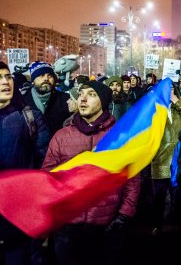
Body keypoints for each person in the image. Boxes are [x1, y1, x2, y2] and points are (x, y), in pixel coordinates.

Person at [41, 80, 140, 265]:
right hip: (68, 226)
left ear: (103, 101)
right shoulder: (62, 136)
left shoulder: (119, 138)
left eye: (91, 95)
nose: (83, 99)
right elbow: (47, 176)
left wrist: (124, 215)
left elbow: (132, 179)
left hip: (106, 225)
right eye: (81, 94)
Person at [0, 61, 50, 265]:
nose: (5, 82)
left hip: (20, 216)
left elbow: (46, 165)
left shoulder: (30, 118)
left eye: (7, 77)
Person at [144, 84, 181, 235]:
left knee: (178, 197)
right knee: (159, 197)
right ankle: (156, 225)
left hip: (178, 161)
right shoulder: (152, 110)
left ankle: (178, 226)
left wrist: (177, 101)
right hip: (160, 160)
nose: (168, 92)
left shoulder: (178, 108)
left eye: (171, 89)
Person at [21, 61, 72, 137]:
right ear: (33, 80)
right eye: (41, 75)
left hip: (57, 146)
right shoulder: (22, 101)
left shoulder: (65, 99)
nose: (46, 79)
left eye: (50, 76)